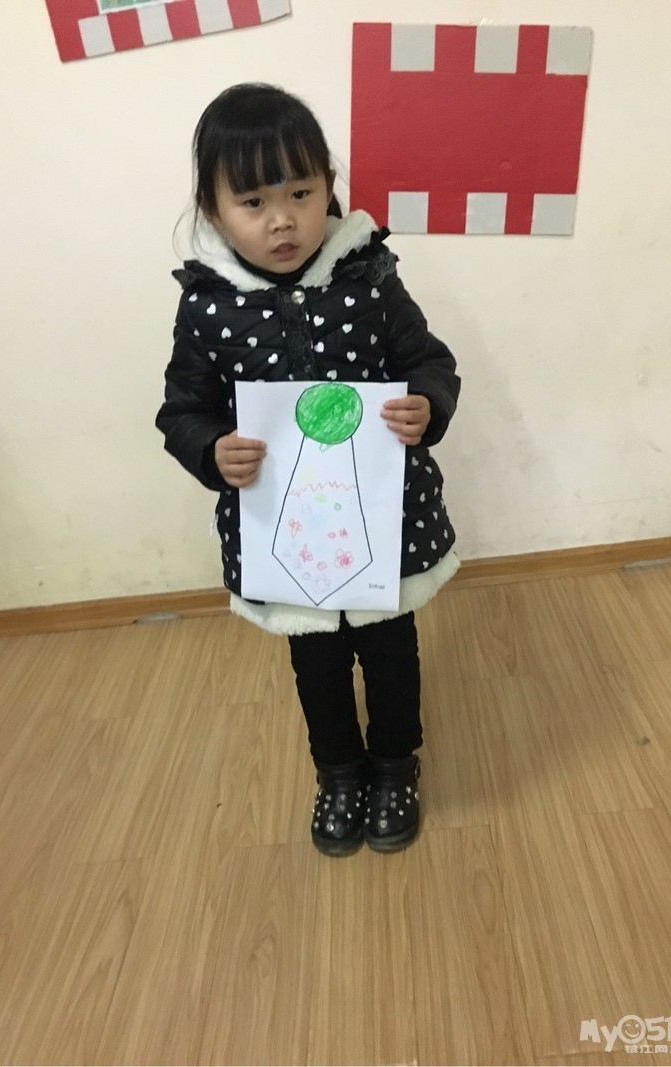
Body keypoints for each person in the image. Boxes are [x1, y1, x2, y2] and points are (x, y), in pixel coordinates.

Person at [156, 83, 460, 856]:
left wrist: (425, 403)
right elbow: (182, 409)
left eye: (301, 192)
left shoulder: (369, 277)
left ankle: (395, 763)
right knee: (315, 658)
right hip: (284, 533)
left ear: (329, 185)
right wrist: (210, 448)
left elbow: (430, 360)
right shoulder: (208, 306)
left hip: (382, 518)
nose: (283, 219)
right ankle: (338, 770)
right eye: (253, 201)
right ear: (212, 208)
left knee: (390, 649)